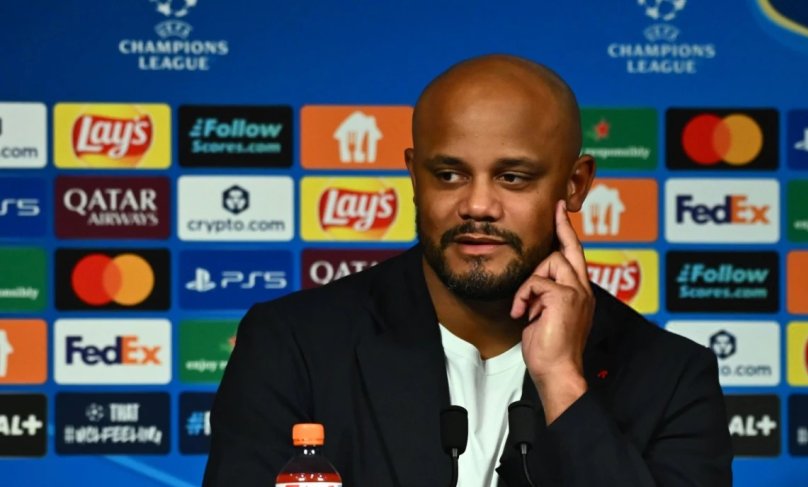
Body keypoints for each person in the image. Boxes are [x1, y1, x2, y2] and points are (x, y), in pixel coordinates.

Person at [203, 54, 732, 486]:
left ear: (575, 185)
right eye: (449, 174)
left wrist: (562, 383)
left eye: (513, 177)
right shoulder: (292, 345)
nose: (477, 205)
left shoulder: (672, 378)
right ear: (415, 177)